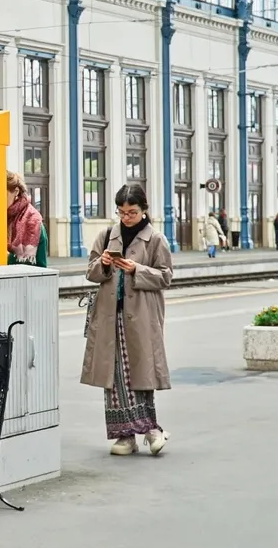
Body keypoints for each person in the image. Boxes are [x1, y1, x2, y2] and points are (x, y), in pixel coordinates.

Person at [82, 183, 173, 457]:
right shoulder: (107, 235)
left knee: (139, 373)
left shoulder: (156, 239)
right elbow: (91, 271)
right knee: (114, 376)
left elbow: (166, 276)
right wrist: (105, 265)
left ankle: (151, 429)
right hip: (111, 317)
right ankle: (124, 436)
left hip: (142, 317)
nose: (126, 217)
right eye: (121, 212)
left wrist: (137, 269)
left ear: (144, 210)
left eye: (132, 212)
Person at [7, 171, 44, 266]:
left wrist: (7, 257)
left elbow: (40, 265)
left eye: (3, 194)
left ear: (16, 192)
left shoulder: (33, 221)